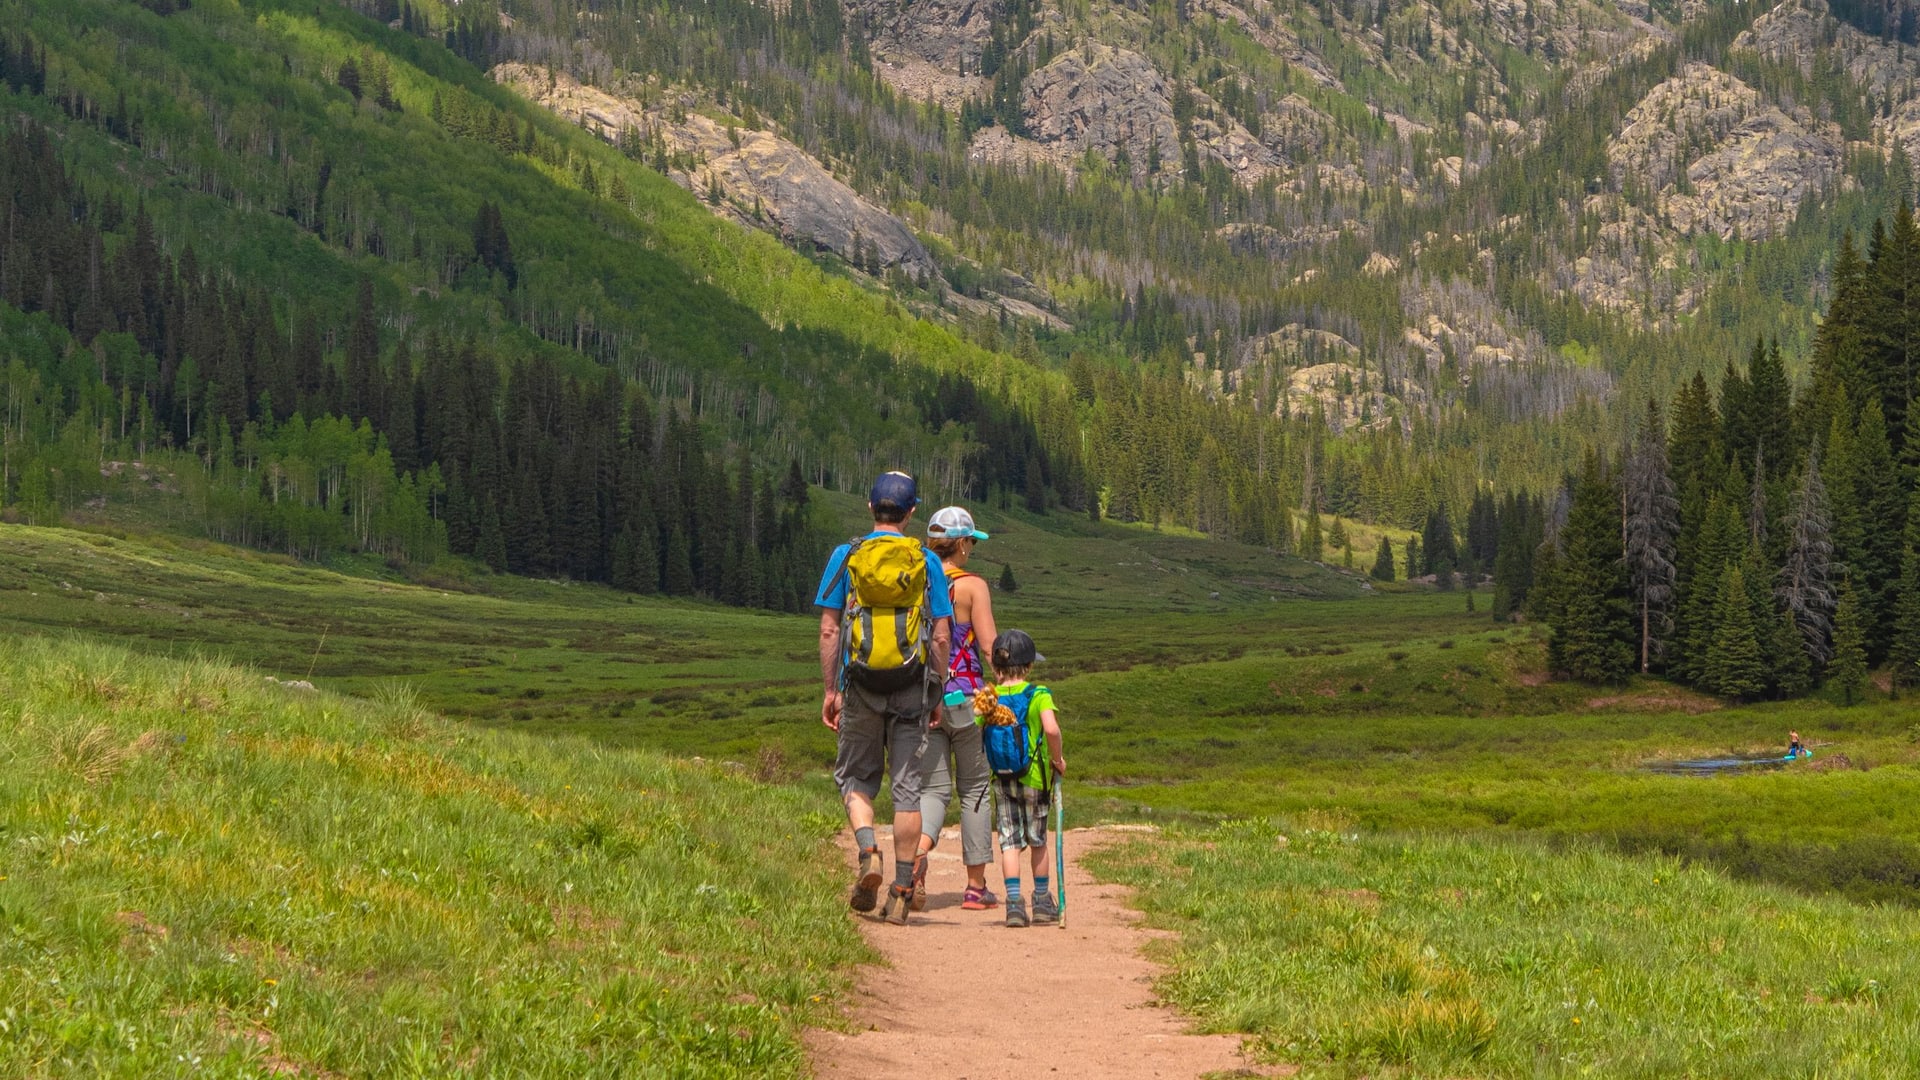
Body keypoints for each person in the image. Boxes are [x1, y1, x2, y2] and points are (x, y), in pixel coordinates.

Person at [816, 471, 953, 925]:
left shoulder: (847, 555)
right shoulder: (925, 560)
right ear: (912, 512)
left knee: (855, 779)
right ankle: (899, 890)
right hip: (912, 688)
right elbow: (940, 635)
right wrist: (937, 689)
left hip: (860, 686)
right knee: (908, 793)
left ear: (869, 507)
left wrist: (831, 690)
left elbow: (830, 627)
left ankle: (868, 850)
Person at [910, 506, 999, 912]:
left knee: (931, 789)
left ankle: (915, 857)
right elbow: (988, 645)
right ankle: (975, 888)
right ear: (962, 544)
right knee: (975, 786)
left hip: (921, 697)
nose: (970, 552)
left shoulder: (915, 580)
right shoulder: (972, 587)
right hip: (966, 699)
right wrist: (1004, 687)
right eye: (970, 544)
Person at [986, 629, 1065, 928]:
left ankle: (1014, 906)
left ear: (996, 667)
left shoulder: (989, 697)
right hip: (1034, 778)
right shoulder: (1038, 694)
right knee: (1038, 841)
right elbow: (1052, 730)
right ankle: (1043, 901)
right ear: (1029, 666)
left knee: (1009, 842)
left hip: (1002, 779)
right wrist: (1057, 761)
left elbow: (975, 725)